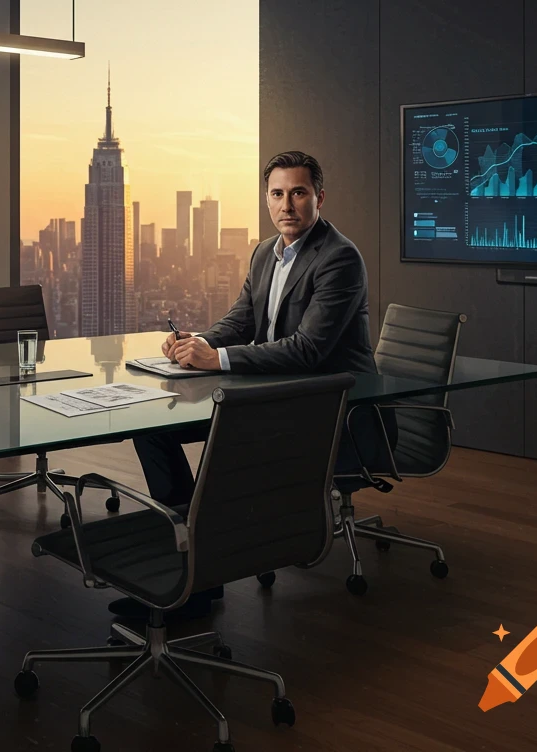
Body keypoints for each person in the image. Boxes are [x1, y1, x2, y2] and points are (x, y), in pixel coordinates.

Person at [110, 150, 387, 620]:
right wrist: (195, 342)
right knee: (153, 426)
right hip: (276, 394)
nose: (287, 205)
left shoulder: (339, 258)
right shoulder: (265, 253)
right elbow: (240, 321)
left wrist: (214, 359)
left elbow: (307, 350)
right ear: (266, 199)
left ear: (319, 197)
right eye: (277, 194)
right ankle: (191, 562)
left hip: (331, 408)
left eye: (298, 193)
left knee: (224, 444)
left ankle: (197, 579)